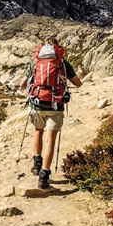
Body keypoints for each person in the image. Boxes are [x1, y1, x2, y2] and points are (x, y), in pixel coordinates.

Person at [19, 37, 82, 190]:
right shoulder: (62, 63)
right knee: (50, 141)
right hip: (55, 105)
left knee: (37, 132)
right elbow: (78, 83)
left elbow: (22, 84)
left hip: (37, 104)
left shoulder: (36, 62)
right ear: (57, 48)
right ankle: (43, 177)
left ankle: (36, 164)